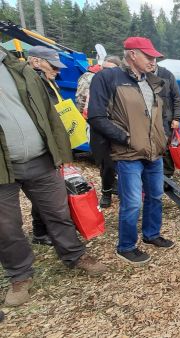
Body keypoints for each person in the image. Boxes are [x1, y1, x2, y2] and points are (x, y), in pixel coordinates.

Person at [0, 46, 107, 307]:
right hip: (3, 167)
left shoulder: (19, 69)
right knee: (6, 225)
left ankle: (74, 255)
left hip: (40, 158)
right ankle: (20, 275)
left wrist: (62, 154)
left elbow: (50, 115)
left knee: (58, 211)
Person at [88, 37, 174, 265]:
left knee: (155, 195)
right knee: (133, 202)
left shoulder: (152, 82)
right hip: (128, 153)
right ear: (132, 54)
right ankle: (126, 246)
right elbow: (96, 116)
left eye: (155, 57)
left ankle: (151, 234)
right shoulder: (108, 78)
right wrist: (125, 138)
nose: (154, 60)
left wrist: (162, 138)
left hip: (153, 152)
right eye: (149, 56)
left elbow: (156, 116)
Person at [26, 46, 68, 246]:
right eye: (54, 67)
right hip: (40, 148)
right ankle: (40, 231)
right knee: (43, 191)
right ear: (36, 62)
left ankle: (44, 228)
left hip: (52, 143)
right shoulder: (32, 84)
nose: (58, 71)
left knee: (49, 190)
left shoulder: (49, 83)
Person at [76, 56, 122, 208]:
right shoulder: (91, 81)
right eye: (104, 68)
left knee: (121, 162)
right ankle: (107, 191)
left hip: (118, 128)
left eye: (110, 69)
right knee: (105, 163)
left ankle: (121, 188)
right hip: (98, 128)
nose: (105, 72)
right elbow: (82, 101)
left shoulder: (123, 84)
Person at [151, 61, 180, 178]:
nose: (150, 63)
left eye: (152, 60)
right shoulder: (142, 74)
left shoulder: (167, 75)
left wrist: (176, 118)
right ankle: (154, 173)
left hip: (166, 118)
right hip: (149, 117)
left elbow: (177, 98)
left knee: (167, 146)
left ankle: (168, 175)